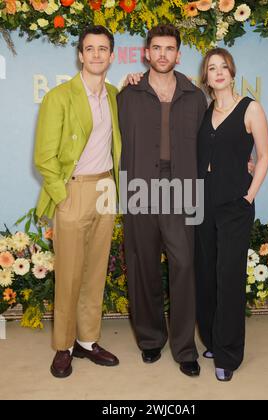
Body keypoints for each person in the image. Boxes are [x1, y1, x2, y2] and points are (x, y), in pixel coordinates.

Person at [117, 24, 208, 377]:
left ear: (178, 54)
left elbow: (209, 142)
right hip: (140, 188)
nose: (162, 55)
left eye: (169, 49)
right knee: (143, 266)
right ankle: (151, 339)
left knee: (184, 265)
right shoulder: (127, 94)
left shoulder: (195, 95)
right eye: (156, 48)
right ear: (146, 53)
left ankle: (185, 347)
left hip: (182, 189)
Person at [34, 25, 122, 378]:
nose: (97, 54)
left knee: (95, 271)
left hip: (106, 190)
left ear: (112, 56)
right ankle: (64, 346)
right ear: (80, 55)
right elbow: (44, 157)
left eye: (103, 49)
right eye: (90, 48)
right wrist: (62, 196)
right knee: (69, 274)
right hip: (74, 190)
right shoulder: (59, 96)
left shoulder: (115, 94)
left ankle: (87, 341)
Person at [195, 48, 268, 382]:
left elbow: (264, 156)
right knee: (207, 274)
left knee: (229, 278)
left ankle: (228, 355)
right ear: (206, 77)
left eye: (223, 66)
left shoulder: (250, 108)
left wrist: (249, 195)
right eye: (212, 68)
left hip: (235, 206)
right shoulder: (204, 109)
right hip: (204, 203)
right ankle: (212, 339)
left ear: (232, 71)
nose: (219, 72)